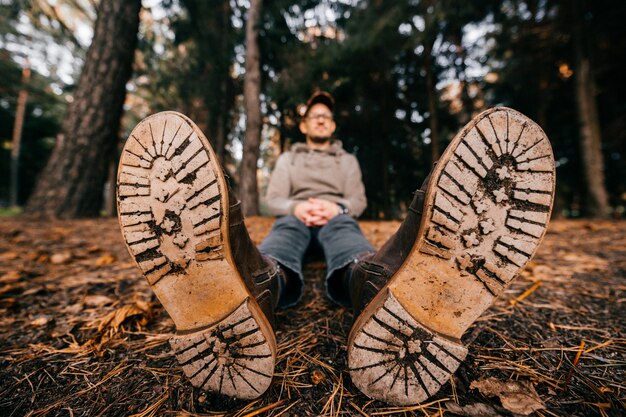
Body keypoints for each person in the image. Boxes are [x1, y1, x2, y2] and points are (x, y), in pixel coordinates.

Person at [116, 92, 555, 405]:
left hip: (337, 215)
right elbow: (274, 198)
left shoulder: (347, 160)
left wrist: (334, 206)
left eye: (327, 116)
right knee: (283, 236)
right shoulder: (289, 158)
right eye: (314, 117)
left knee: (346, 236)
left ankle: (372, 285)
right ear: (305, 124)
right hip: (295, 214)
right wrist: (300, 206)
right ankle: (255, 285)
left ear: (333, 124)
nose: (321, 121)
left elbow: (358, 201)